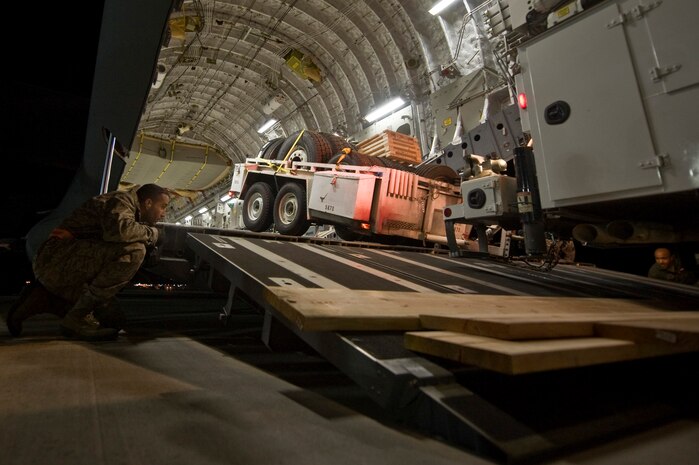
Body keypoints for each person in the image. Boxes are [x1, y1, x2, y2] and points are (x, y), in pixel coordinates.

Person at [5, 183, 171, 341]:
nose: (163, 213)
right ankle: (74, 318)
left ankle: (44, 297)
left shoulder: (131, 210)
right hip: (56, 260)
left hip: (62, 261)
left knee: (114, 321)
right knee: (135, 250)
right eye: (162, 206)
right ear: (148, 203)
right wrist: (154, 235)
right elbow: (121, 232)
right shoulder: (122, 200)